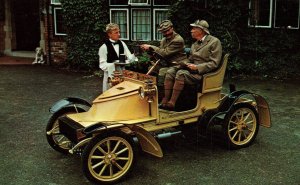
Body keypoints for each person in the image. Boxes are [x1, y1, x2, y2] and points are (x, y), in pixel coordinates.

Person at [160, 19, 222, 110]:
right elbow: (190, 59)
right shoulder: (195, 44)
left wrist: (197, 67)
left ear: (201, 30)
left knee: (181, 74)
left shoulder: (215, 42)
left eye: (194, 29)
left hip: (203, 74)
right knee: (171, 71)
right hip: (192, 71)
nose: (191, 30)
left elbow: (214, 63)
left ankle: (172, 103)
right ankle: (164, 101)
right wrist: (183, 63)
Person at [140, 20, 188, 86]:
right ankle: (151, 88)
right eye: (164, 32)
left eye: (168, 30)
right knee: (151, 69)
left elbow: (165, 53)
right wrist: (148, 50)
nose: (167, 33)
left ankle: (162, 92)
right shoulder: (164, 40)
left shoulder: (178, 40)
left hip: (178, 64)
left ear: (172, 28)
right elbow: (159, 53)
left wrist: (151, 46)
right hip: (168, 63)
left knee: (162, 71)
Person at [99, 23, 136, 91]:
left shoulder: (122, 43)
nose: (119, 34)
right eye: (116, 33)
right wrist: (113, 64)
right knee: (110, 94)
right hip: (111, 76)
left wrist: (135, 54)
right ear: (109, 34)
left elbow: (130, 58)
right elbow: (102, 65)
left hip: (122, 74)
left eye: (119, 32)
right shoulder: (103, 47)